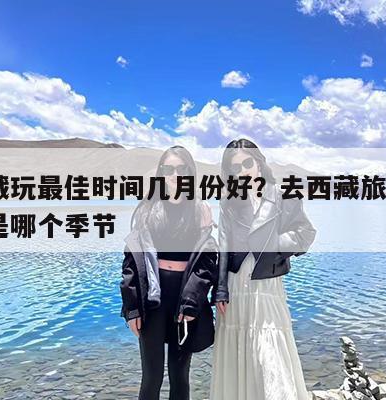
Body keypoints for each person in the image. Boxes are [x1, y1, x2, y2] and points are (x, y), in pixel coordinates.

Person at [210, 138, 317, 400]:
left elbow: (305, 233)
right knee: (239, 354)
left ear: (258, 162)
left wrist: (273, 245)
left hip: (267, 285)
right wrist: (220, 289)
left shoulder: (283, 195)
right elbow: (223, 245)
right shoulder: (229, 202)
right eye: (235, 168)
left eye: (247, 163)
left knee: (270, 354)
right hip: (235, 286)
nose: (243, 171)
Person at [120, 145, 218, 400]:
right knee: (151, 376)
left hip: (185, 301)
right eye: (169, 169)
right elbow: (132, 262)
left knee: (179, 374)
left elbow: (206, 263)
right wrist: (132, 308)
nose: (175, 175)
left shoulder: (199, 210)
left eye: (182, 169)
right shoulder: (147, 209)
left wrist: (192, 301)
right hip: (152, 301)